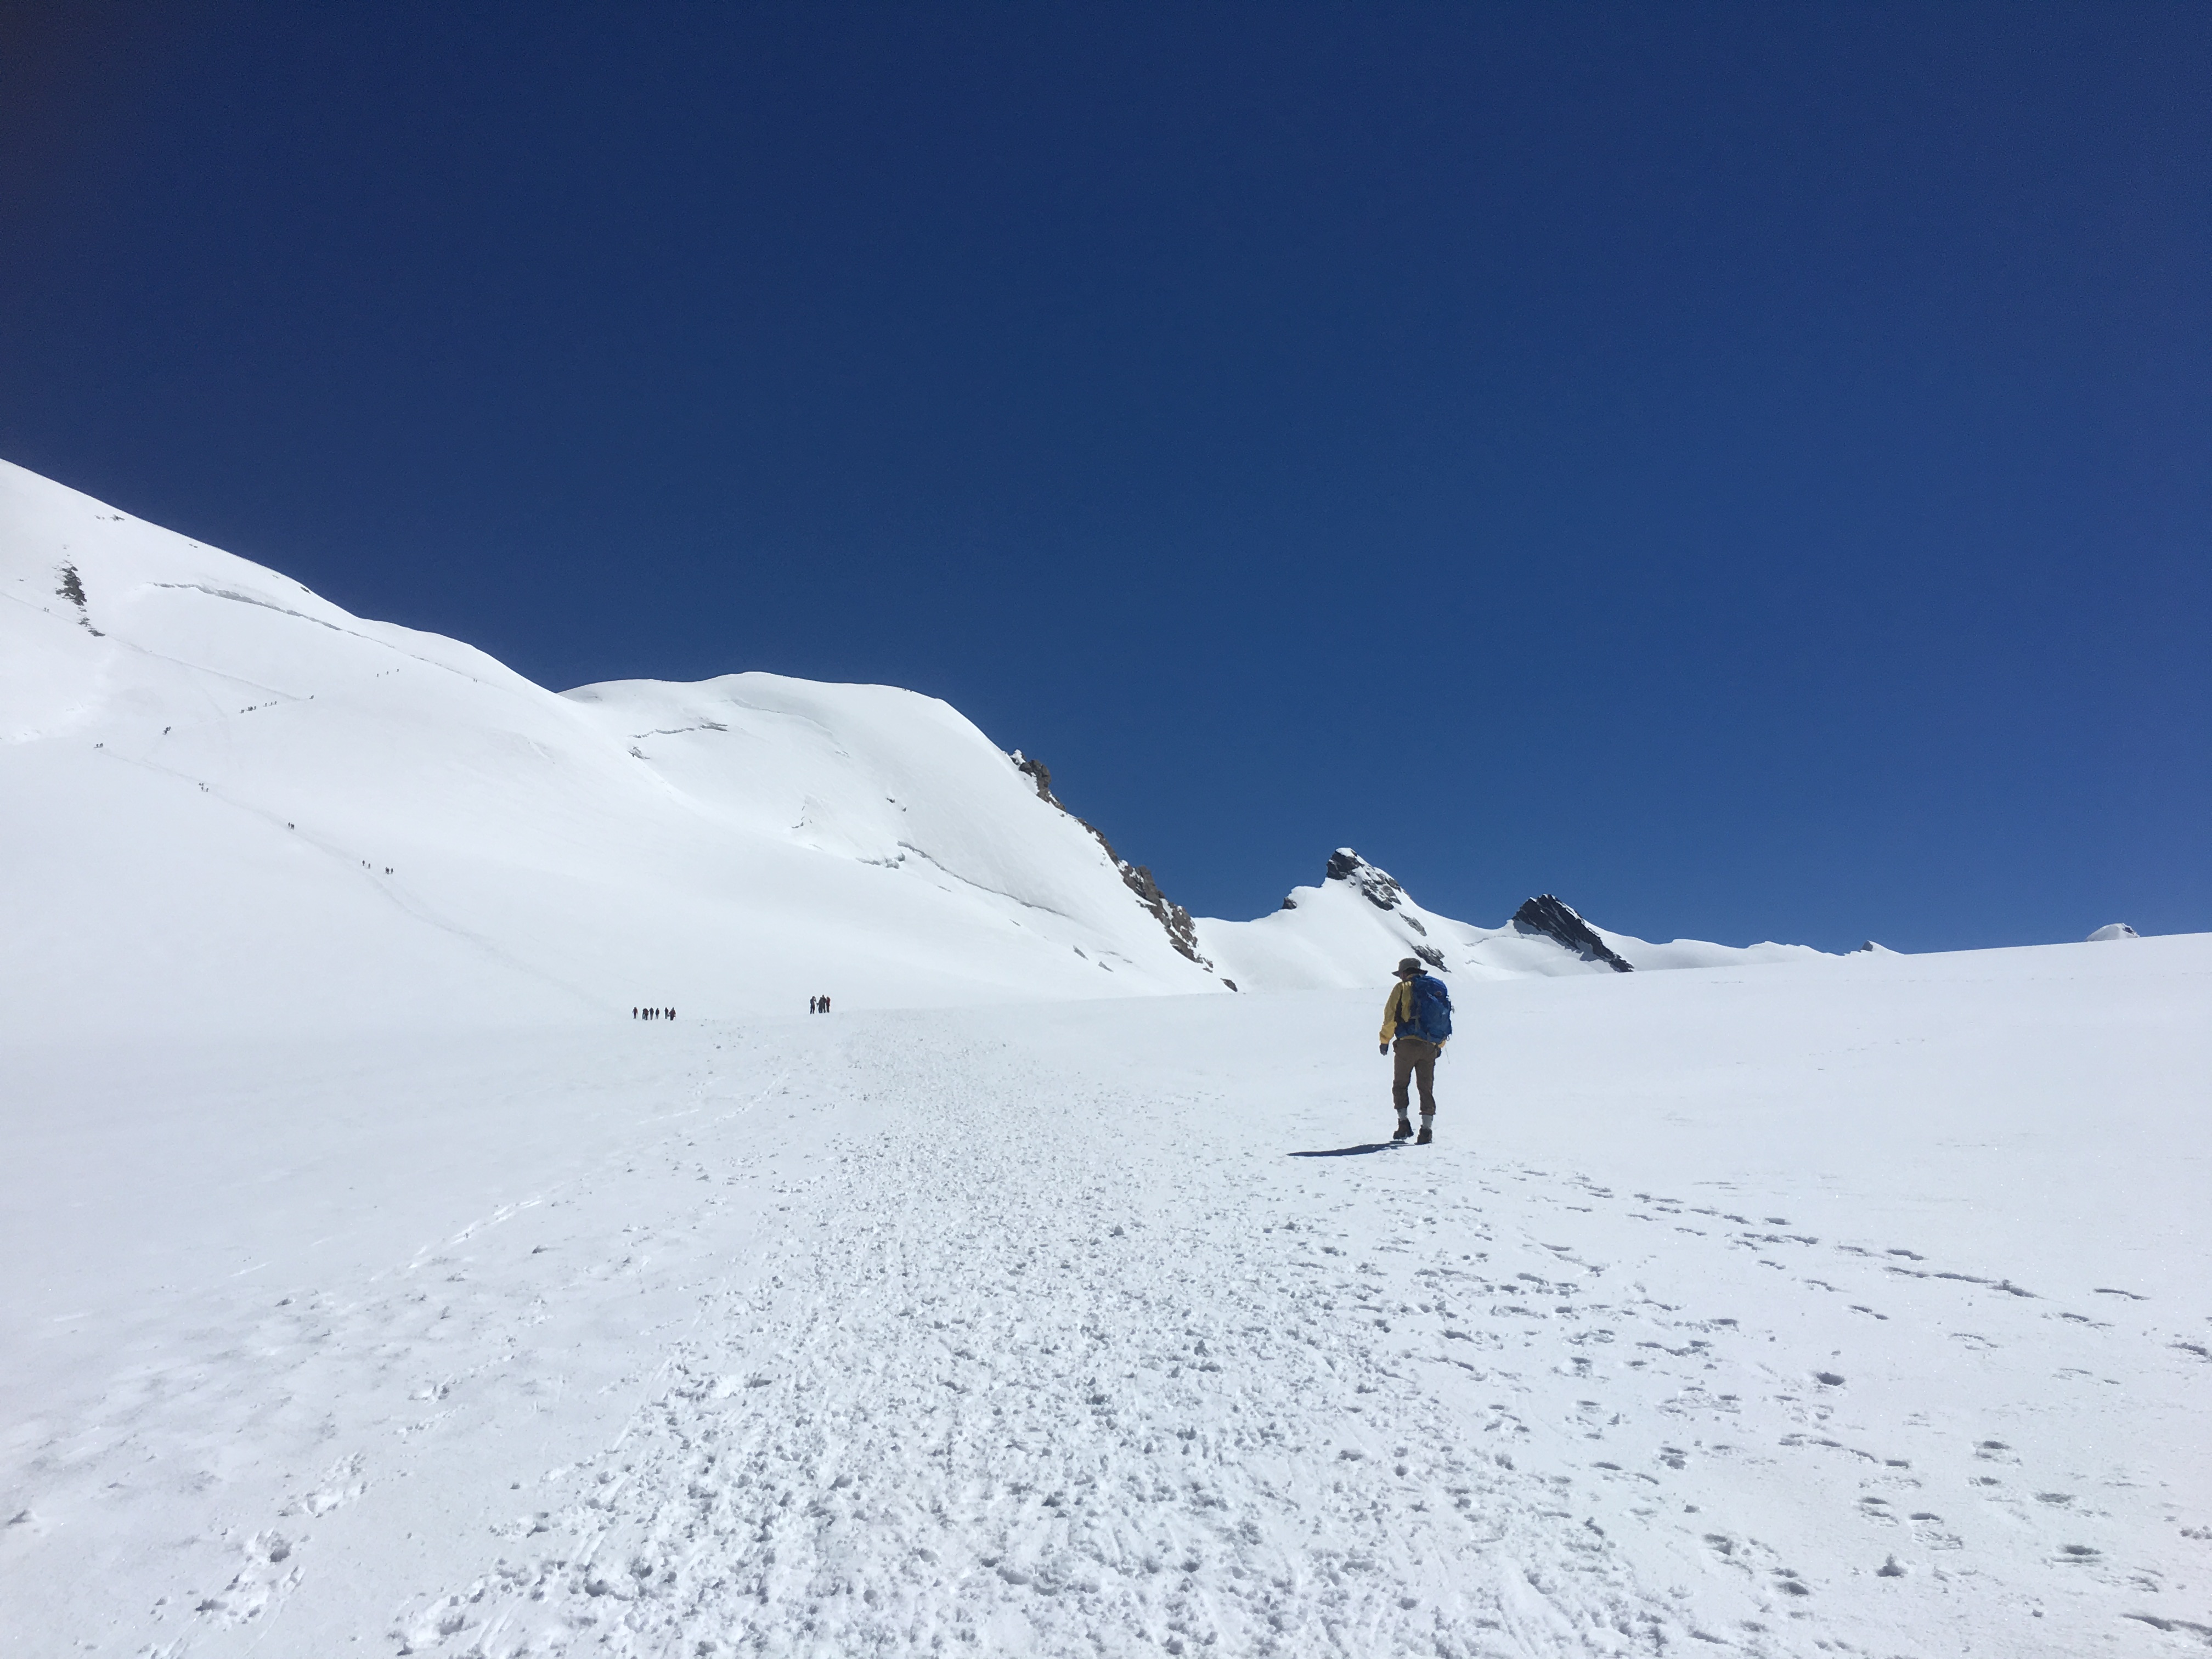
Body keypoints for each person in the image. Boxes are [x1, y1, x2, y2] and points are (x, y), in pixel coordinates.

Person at [1378, 956, 1450, 1144]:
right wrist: (1439, 1045)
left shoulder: (1402, 988)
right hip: (1430, 1046)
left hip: (1407, 1045)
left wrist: (1385, 1040)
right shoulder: (1434, 989)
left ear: (1403, 973)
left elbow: (1390, 1016)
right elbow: (1441, 1019)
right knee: (1426, 1087)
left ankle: (1403, 1125)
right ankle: (1426, 1130)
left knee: (1401, 1084)